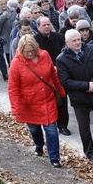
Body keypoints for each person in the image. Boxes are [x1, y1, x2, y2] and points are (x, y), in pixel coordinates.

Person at [8, 35, 66, 168]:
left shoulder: (45, 55)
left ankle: (54, 157)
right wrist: (16, 109)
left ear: (36, 48)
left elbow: (53, 74)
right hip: (29, 103)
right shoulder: (16, 63)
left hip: (47, 99)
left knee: (51, 130)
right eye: (26, 51)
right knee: (34, 129)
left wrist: (60, 90)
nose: (29, 54)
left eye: (31, 51)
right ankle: (39, 145)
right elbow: (13, 88)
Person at [56, 29, 93, 165]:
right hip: (80, 99)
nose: (77, 43)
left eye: (79, 39)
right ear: (67, 42)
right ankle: (90, 152)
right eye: (74, 41)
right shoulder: (61, 59)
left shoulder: (91, 49)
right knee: (84, 127)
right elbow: (65, 81)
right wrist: (86, 86)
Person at [34, 16, 70, 136]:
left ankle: (63, 125)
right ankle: (51, 123)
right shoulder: (35, 41)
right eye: (44, 25)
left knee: (62, 99)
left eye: (48, 24)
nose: (47, 27)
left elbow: (65, 53)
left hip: (60, 73)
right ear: (38, 27)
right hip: (44, 76)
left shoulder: (58, 37)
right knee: (49, 101)